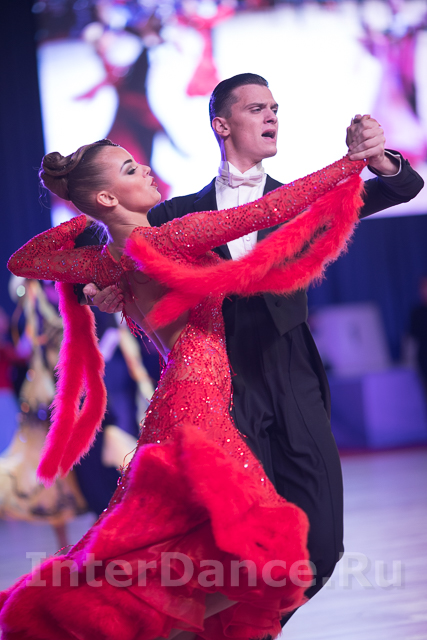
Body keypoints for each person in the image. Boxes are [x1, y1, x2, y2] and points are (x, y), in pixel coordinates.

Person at [84, 73, 424, 628]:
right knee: (245, 545)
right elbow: (120, 256)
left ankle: (250, 628)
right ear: (222, 125)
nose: (272, 117)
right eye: (258, 108)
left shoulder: (301, 201)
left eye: (275, 108)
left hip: (292, 372)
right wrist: (105, 288)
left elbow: (401, 187)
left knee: (322, 546)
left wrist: (378, 158)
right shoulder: (176, 215)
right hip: (222, 382)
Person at [0, 137, 367, 639]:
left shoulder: (104, 262)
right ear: (107, 196)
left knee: (194, 555)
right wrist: (350, 163)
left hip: (180, 399)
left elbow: (25, 260)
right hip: (198, 404)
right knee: (261, 560)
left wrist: (88, 216)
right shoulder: (169, 239)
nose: (145, 169)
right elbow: (270, 209)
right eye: (130, 169)